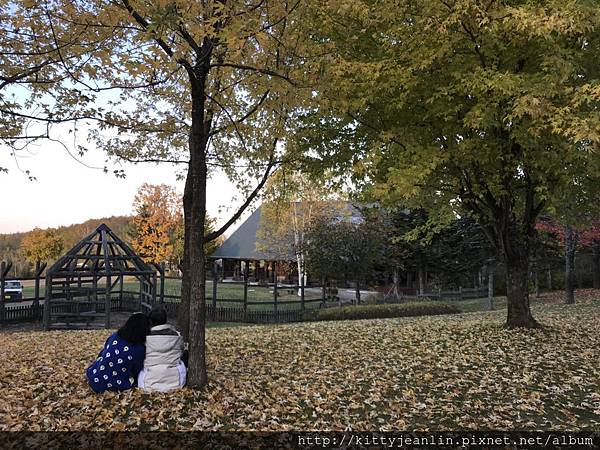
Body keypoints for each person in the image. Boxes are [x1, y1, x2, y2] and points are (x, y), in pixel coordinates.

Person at [86, 313, 150, 393]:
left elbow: (103, 352)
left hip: (94, 378)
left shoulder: (115, 336)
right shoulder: (139, 349)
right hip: (116, 384)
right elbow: (137, 369)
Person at [137, 306, 187, 392]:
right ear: (165, 320)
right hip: (176, 381)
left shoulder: (144, 337)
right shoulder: (177, 335)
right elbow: (181, 350)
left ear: (150, 321)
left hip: (147, 381)